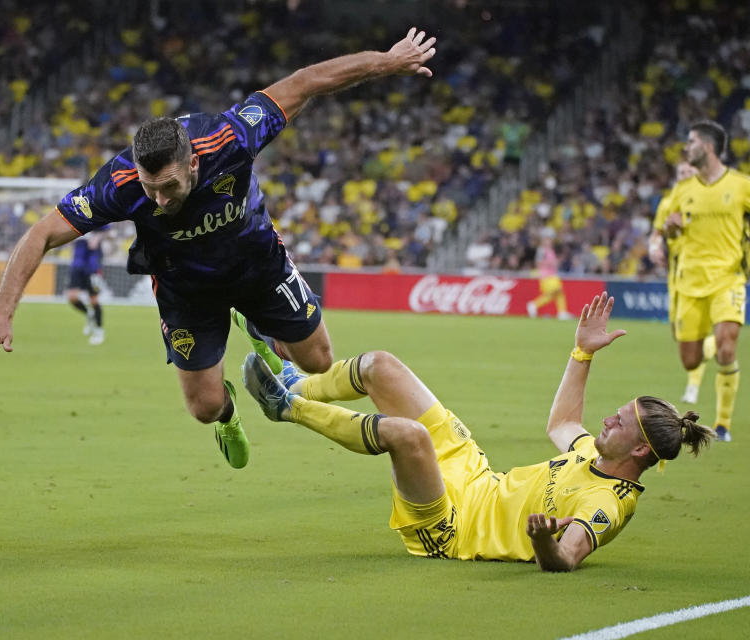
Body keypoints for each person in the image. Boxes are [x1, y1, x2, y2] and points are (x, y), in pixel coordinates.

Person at [0, 28, 439, 470]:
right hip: (186, 290)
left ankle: (256, 326)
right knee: (204, 409)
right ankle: (231, 416)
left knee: (316, 361)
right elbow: (40, 233)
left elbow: (306, 81)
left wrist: (386, 61)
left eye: (168, 186)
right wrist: (2, 311)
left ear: (193, 161)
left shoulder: (231, 136)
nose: (159, 199)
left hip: (257, 264)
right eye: (150, 189)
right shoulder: (120, 184)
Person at [242, 293, 715, 571]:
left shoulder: (606, 504)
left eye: (619, 422)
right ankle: (297, 380)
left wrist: (544, 541)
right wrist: (582, 354)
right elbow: (563, 424)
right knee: (380, 366)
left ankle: (288, 407)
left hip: (454, 528)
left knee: (408, 436)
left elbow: (567, 558)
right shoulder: (594, 452)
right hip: (473, 473)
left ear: (637, 448)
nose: (606, 420)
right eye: (616, 412)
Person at [660, 120, 750, 442]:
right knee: (691, 361)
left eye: (692, 141)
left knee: (728, 348)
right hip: (689, 284)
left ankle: (723, 425)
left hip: (728, 279)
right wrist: (670, 229)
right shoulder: (683, 191)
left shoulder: (741, 185)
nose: (687, 148)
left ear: (708, 147)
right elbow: (669, 230)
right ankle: (709, 345)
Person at [648, 160, 716, 405]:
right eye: (681, 172)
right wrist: (655, 248)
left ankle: (692, 388)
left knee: (695, 336)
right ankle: (716, 343)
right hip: (677, 278)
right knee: (682, 338)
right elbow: (657, 233)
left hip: (705, 275)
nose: (685, 175)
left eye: (690, 172)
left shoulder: (710, 201)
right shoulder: (668, 203)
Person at [67, 230, 107, 346]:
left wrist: (98, 237)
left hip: (92, 266)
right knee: (72, 297)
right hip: (77, 264)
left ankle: (99, 331)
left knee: (94, 300)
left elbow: (107, 229)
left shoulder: (97, 215)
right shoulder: (73, 215)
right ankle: (89, 313)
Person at [526, 229, 571, 320]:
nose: (550, 241)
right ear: (544, 240)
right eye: (548, 239)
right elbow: (538, 263)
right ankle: (535, 304)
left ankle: (560, 312)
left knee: (557, 293)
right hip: (546, 276)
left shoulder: (549, 250)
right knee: (558, 291)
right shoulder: (542, 250)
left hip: (551, 275)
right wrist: (551, 263)